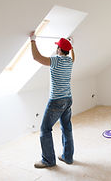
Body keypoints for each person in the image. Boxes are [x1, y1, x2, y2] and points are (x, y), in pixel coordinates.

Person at [29, 31, 75, 168]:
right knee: (67, 128)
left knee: (45, 129)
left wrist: (32, 40)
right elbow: (73, 57)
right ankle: (68, 157)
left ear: (59, 49)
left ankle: (48, 160)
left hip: (56, 101)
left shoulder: (56, 60)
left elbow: (36, 57)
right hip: (68, 99)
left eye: (57, 47)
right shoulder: (69, 61)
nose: (56, 48)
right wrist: (72, 46)